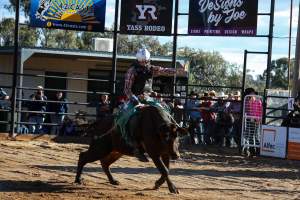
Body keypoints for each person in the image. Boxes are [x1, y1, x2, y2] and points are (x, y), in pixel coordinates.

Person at [117, 48, 186, 162]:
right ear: (138, 60)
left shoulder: (151, 69)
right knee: (126, 117)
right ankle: (135, 145)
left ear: (148, 60)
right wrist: (134, 99)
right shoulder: (132, 71)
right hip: (135, 99)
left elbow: (164, 70)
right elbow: (127, 89)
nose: (143, 63)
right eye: (141, 61)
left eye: (145, 61)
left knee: (165, 109)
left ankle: (175, 133)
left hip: (148, 98)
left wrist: (178, 71)